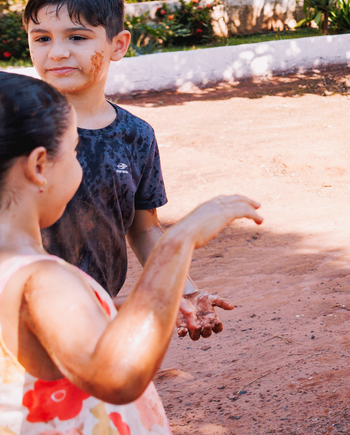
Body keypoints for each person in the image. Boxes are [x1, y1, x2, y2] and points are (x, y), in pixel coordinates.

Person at [0, 71, 261, 433]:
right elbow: (117, 377)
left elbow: (46, 329)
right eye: (75, 151)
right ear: (39, 166)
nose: (79, 163)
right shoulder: (44, 280)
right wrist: (178, 241)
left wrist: (157, 302)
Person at [23, 0, 232, 339]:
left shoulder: (135, 136)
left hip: (98, 317)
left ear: (118, 45)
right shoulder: (16, 126)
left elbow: (145, 228)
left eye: (76, 37)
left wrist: (185, 291)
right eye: (41, 38)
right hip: (20, 318)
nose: (56, 52)